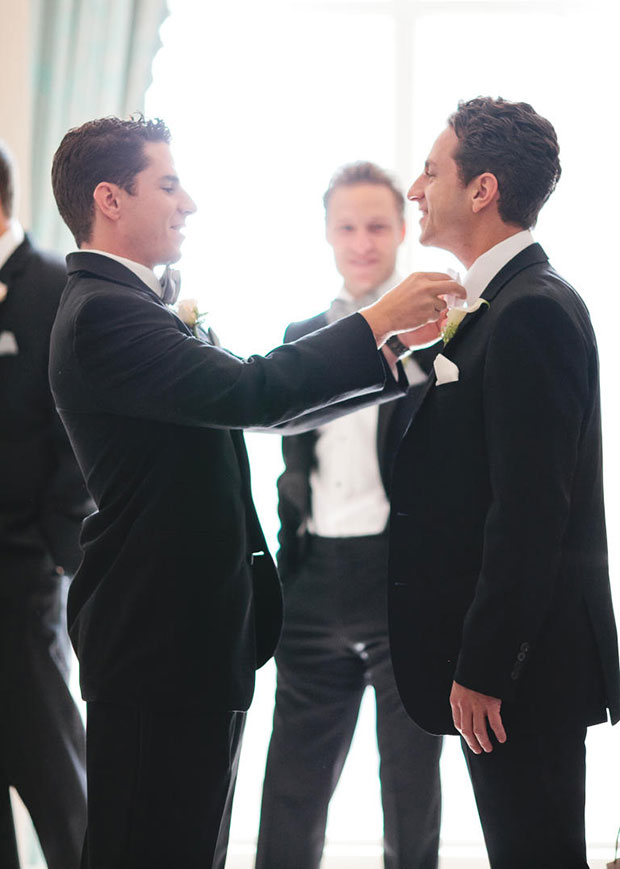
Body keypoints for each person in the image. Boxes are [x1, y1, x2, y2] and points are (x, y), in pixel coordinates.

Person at [48, 116, 464, 869]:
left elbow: (262, 400)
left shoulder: (138, 307)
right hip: (155, 642)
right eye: (168, 184)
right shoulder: (104, 314)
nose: (189, 203)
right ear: (110, 199)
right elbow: (253, 390)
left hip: (194, 642)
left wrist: (389, 346)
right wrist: (376, 320)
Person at [387, 97, 620, 869]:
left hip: (525, 671)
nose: (415, 191)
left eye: (429, 171)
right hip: (512, 665)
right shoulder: (499, 304)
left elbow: (530, 513)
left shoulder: (532, 311)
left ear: (481, 188)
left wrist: (485, 667)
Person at [255, 162, 442, 869]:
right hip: (313, 577)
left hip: (400, 578)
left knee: (409, 781)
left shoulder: (441, 333)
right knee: (292, 784)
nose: (362, 242)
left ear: (401, 231)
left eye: (377, 226)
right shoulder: (302, 334)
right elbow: (288, 459)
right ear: (328, 235)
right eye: (347, 227)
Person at [0, 140, 89, 869]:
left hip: (26, 574)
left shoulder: (55, 287)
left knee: (59, 783)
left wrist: (56, 550)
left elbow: (78, 434)